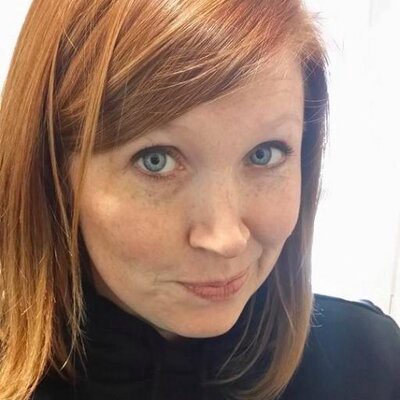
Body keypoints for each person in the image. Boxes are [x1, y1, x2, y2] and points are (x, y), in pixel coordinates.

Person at [0, 0, 399, 399]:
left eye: (265, 154)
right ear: (52, 171)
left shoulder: (371, 365)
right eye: (156, 160)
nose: (226, 239)